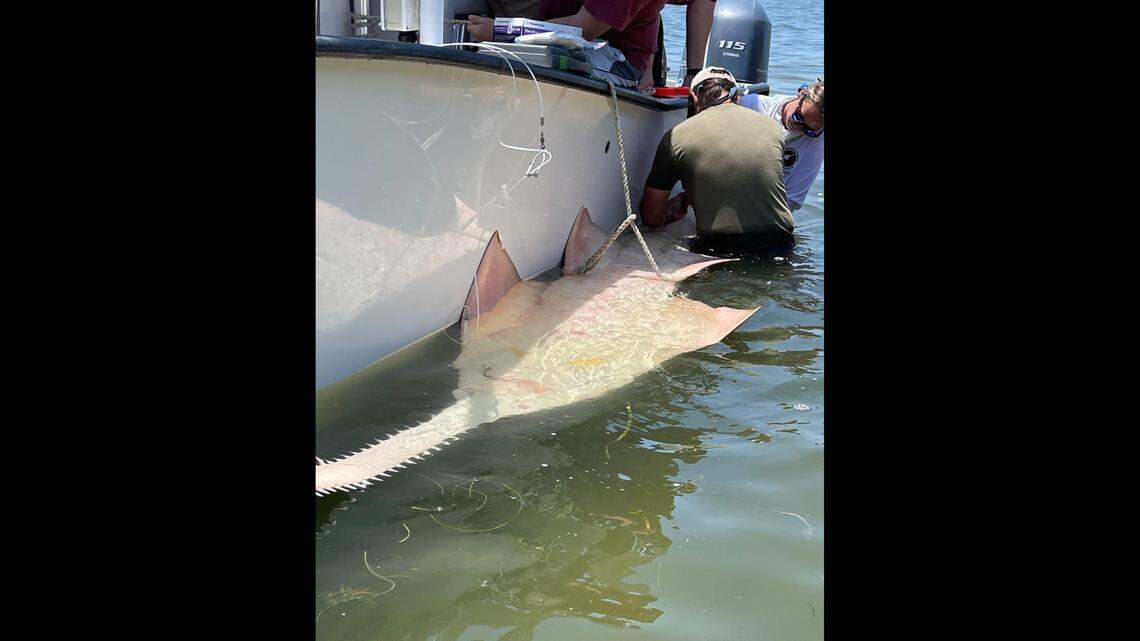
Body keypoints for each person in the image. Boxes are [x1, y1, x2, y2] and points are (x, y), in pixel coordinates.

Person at [640, 66, 794, 253]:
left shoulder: (676, 137)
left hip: (720, 248)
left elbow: (651, 216)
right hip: (782, 243)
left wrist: (670, 212)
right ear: (737, 97)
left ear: (694, 98)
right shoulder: (772, 127)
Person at [469, 0, 667, 90]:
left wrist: (502, 31)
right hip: (590, 38)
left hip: (619, 60)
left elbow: (583, 29)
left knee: (523, 57)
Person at [740, 80, 824, 211]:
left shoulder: (817, 138)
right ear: (801, 94)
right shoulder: (750, 105)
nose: (798, 127)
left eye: (809, 130)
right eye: (799, 116)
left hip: (767, 209)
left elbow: (793, 198)